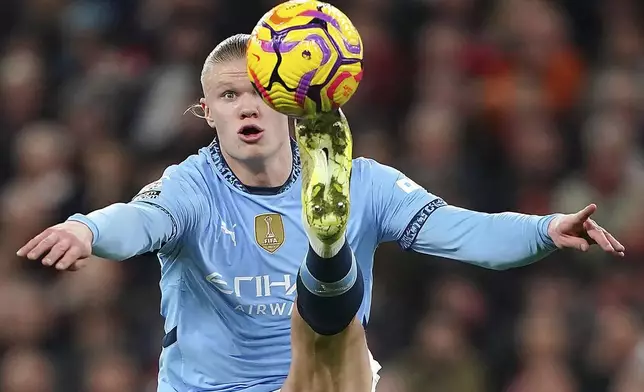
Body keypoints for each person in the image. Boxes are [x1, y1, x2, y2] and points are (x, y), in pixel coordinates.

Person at [17, 34, 625, 392]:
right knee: (335, 335)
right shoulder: (190, 188)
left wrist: (545, 229)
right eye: (229, 96)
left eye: (260, 92)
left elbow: (463, 231)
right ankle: (329, 263)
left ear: (290, 99)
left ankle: (328, 257)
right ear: (206, 111)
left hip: (319, 382)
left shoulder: (364, 182)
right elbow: (136, 221)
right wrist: (85, 228)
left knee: (335, 345)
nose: (246, 107)